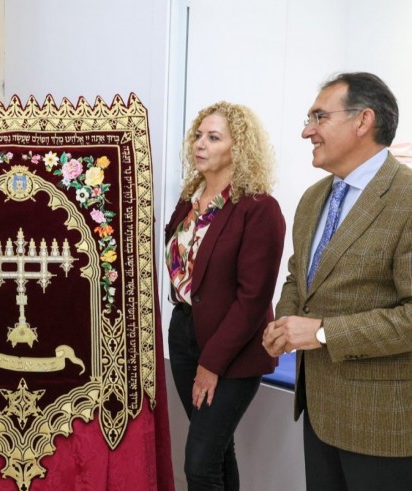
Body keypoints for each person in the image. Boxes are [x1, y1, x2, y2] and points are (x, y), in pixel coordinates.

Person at [263, 72, 412, 489]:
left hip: (383, 426)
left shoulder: (406, 199)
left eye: (319, 117)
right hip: (319, 414)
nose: (307, 130)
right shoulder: (314, 198)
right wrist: (286, 321)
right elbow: (299, 276)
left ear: (363, 121)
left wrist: (325, 333)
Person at [164, 101, 285, 490]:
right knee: (217, 451)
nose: (200, 144)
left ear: (239, 148)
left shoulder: (259, 209)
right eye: (199, 135)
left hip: (233, 346)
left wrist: (211, 363)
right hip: (184, 334)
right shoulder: (189, 202)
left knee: (199, 464)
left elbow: (253, 299)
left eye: (214, 137)